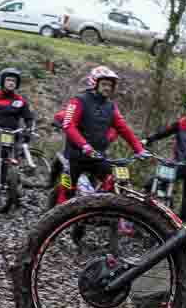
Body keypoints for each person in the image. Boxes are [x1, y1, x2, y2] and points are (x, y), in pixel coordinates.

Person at [55, 65, 149, 204]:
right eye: (104, 84)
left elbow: (123, 128)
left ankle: (100, 210)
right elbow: (69, 125)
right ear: (95, 83)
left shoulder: (111, 106)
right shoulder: (79, 100)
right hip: (75, 156)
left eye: (110, 85)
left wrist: (139, 149)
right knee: (67, 193)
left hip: (98, 156)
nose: (107, 88)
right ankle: (53, 221)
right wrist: (85, 146)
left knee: (113, 181)